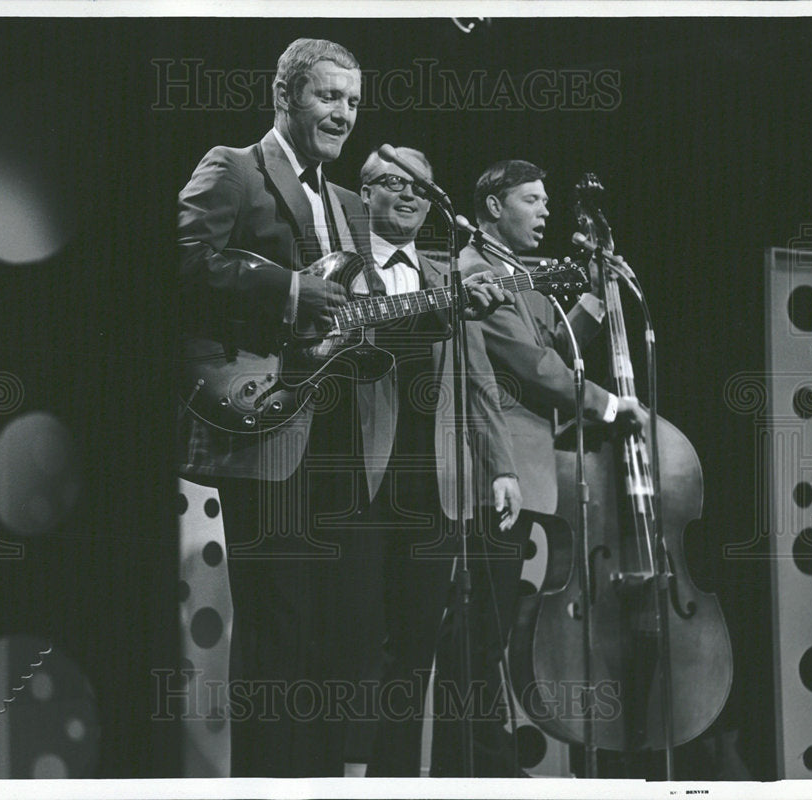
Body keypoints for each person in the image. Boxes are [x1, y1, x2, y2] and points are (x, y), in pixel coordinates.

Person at [176, 39, 513, 776]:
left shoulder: (348, 204)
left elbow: (366, 317)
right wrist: (290, 290)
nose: (343, 113)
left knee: (331, 642)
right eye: (329, 96)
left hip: (338, 447)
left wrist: (454, 304)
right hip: (264, 424)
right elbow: (185, 260)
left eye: (353, 101)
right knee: (275, 632)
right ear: (285, 95)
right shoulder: (233, 167)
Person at [431, 159, 647, 776]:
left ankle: (479, 761)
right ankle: (476, 766)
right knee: (479, 635)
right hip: (489, 475)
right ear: (493, 206)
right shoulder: (475, 274)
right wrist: (609, 404)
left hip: (526, 479)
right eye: (531, 199)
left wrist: (597, 295)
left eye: (546, 199)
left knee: (492, 633)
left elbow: (558, 346)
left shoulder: (519, 274)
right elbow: (534, 368)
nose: (545, 211)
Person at [352, 147, 523, 777]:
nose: (409, 196)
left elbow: (478, 380)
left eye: (421, 188)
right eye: (393, 183)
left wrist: (501, 467)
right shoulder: (340, 267)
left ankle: (393, 781)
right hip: (353, 484)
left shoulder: (445, 276)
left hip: (432, 490)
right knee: (350, 644)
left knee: (415, 647)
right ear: (363, 193)